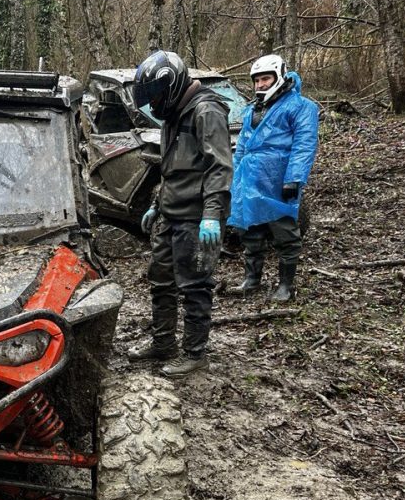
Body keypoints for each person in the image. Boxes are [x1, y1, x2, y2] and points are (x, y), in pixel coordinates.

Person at [126, 50, 233, 377]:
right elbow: (171, 169)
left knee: (195, 286)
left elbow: (220, 167)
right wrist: (156, 205)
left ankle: (195, 353)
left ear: (169, 85)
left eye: (155, 98)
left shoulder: (205, 111)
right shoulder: (173, 113)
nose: (153, 106)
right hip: (170, 214)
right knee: (160, 281)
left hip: (197, 217)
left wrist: (212, 214)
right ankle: (163, 342)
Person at [227, 54, 319, 301]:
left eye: (265, 79)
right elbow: (243, 146)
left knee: (285, 233)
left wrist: (294, 178)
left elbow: (304, 145)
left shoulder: (301, 107)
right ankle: (252, 280)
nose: (260, 85)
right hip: (250, 179)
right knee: (251, 231)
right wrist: (236, 179)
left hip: (277, 179)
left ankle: (286, 286)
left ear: (279, 77)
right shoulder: (252, 110)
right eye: (256, 80)